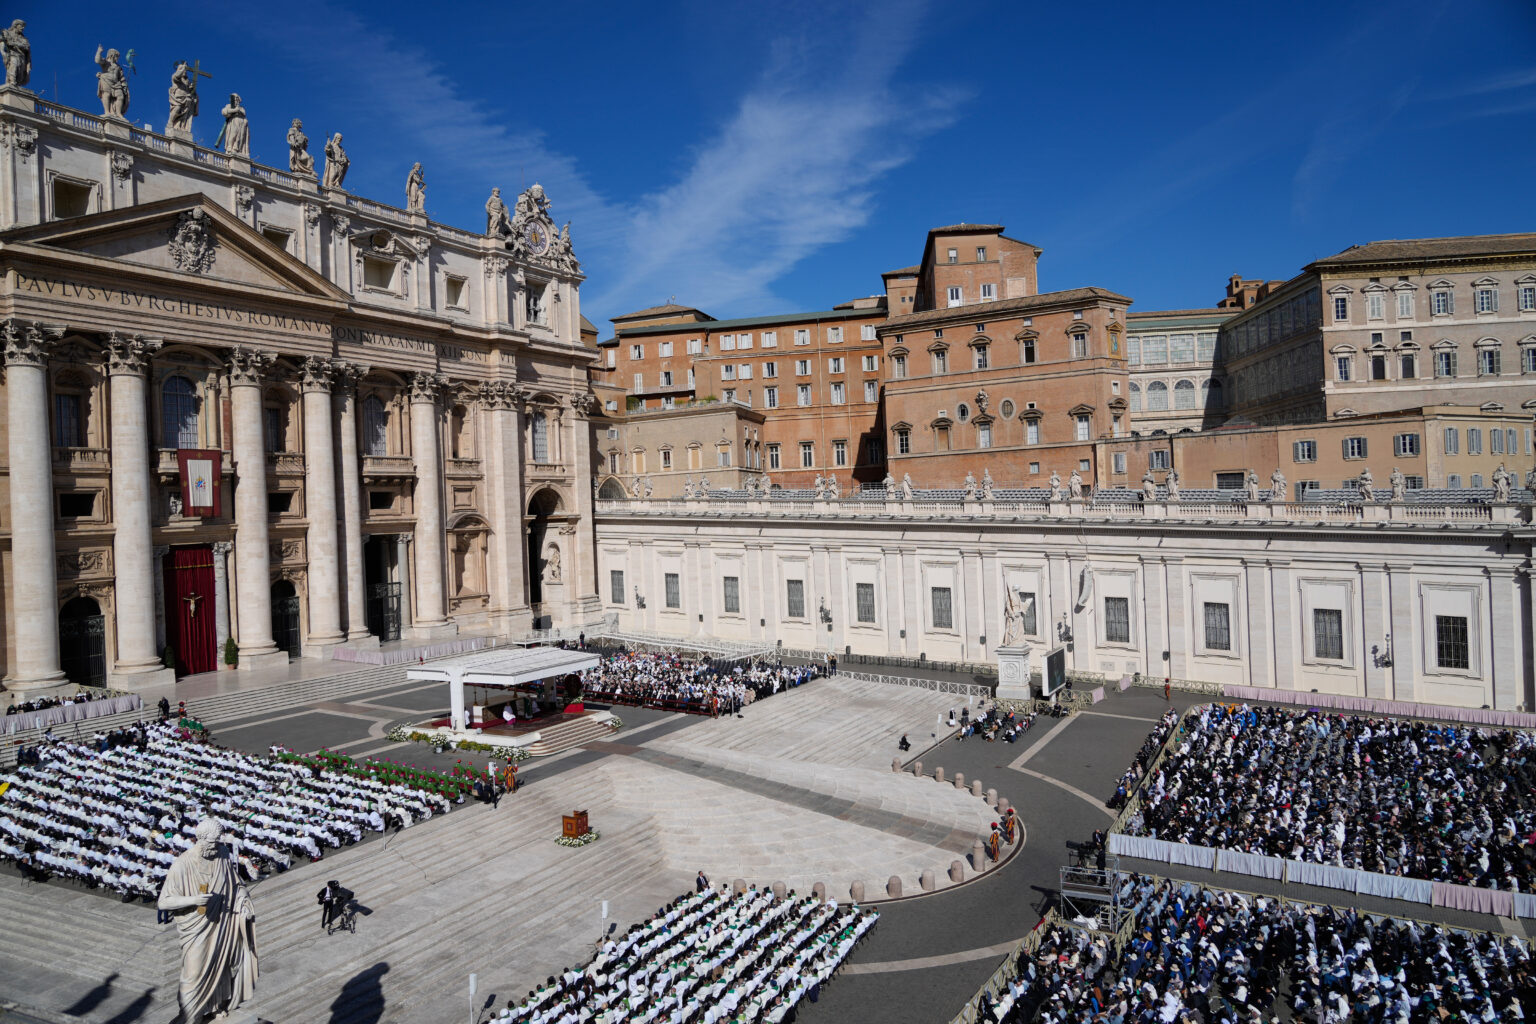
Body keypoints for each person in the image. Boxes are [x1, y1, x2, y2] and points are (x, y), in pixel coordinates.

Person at [157, 820, 257, 1022]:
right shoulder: (182, 864)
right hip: (196, 928)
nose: (217, 846)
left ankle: (215, 1006)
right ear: (200, 839)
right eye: (213, 842)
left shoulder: (222, 854)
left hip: (222, 923)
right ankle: (189, 1015)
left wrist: (244, 903)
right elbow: (163, 902)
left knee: (222, 968)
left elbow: (235, 884)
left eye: (219, 842)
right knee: (192, 974)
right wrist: (193, 900)